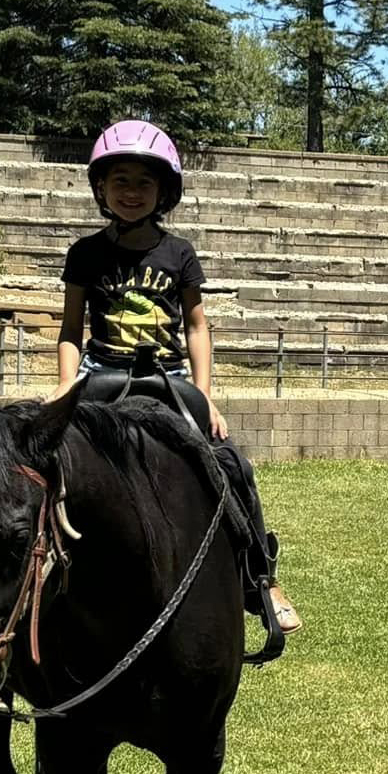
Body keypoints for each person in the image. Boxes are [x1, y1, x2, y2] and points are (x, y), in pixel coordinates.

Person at [49, 119, 301, 641]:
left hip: (167, 377)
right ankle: (32, 579)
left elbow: (196, 326)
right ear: (101, 188)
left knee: (232, 463)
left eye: (144, 182)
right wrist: (64, 385)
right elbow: (72, 328)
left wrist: (205, 396)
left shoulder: (179, 253)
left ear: (165, 191)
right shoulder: (85, 254)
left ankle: (262, 580)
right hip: (101, 373)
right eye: (120, 180)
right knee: (40, 463)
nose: (132, 192)